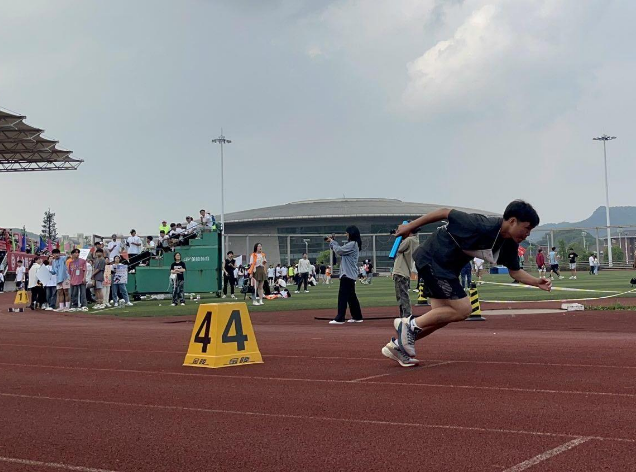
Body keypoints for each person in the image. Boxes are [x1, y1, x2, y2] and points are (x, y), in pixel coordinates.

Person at [386, 200, 551, 368]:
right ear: (513, 221)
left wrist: (536, 282)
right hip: (433, 258)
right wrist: (410, 226)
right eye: (527, 228)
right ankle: (408, 325)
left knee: (442, 316)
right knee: (463, 309)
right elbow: (444, 212)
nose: (527, 234)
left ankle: (399, 346)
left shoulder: (509, 243)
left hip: (447, 269)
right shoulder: (481, 224)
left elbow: (515, 271)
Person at [327, 226, 363, 324]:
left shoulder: (352, 244)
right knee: (351, 297)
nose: (346, 235)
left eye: (347, 233)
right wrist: (333, 242)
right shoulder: (354, 244)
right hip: (350, 274)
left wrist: (332, 242)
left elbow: (339, 251)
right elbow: (340, 249)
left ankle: (340, 318)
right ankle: (357, 316)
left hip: (347, 274)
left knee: (342, 296)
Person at [392, 228, 419, 318]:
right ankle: (405, 315)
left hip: (400, 270)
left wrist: (399, 236)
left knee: (401, 295)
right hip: (405, 270)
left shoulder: (408, 240)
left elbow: (398, 248)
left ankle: (406, 315)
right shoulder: (415, 240)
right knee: (403, 294)